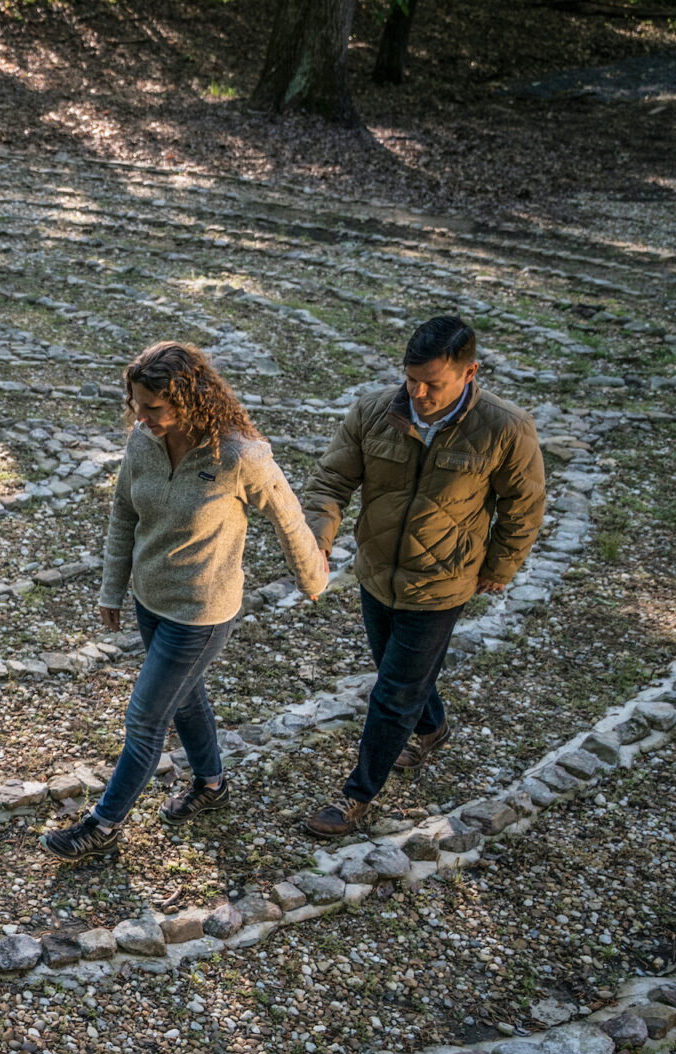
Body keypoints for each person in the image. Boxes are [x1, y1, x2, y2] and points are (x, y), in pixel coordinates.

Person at [44, 342, 329, 864]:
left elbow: (287, 515)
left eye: (154, 407)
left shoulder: (238, 454)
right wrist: (113, 588)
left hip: (201, 612)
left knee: (146, 719)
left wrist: (312, 577)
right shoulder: (142, 441)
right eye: (136, 405)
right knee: (188, 698)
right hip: (149, 599)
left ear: (191, 398)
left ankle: (103, 824)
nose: (142, 417)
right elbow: (123, 516)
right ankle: (212, 785)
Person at [300, 315, 547, 837]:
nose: (418, 392)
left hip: (442, 585)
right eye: (411, 379)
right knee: (400, 671)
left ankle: (356, 795)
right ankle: (433, 728)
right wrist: (316, 539)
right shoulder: (374, 412)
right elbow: (330, 479)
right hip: (375, 573)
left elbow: (523, 508)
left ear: (469, 372)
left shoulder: (505, 427)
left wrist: (498, 567)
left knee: (392, 692)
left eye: (432, 383)